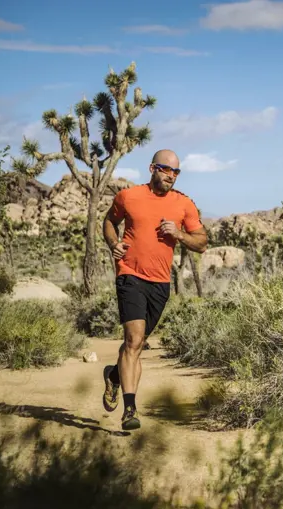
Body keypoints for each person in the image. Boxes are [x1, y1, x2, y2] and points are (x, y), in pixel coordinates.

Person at [101, 149, 207, 430]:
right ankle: (130, 410)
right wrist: (114, 244)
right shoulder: (129, 197)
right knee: (134, 341)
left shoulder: (184, 204)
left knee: (136, 346)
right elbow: (109, 221)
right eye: (166, 169)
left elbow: (202, 243)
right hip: (130, 275)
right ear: (152, 168)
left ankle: (113, 375)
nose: (171, 175)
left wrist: (180, 234)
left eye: (176, 171)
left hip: (160, 283)